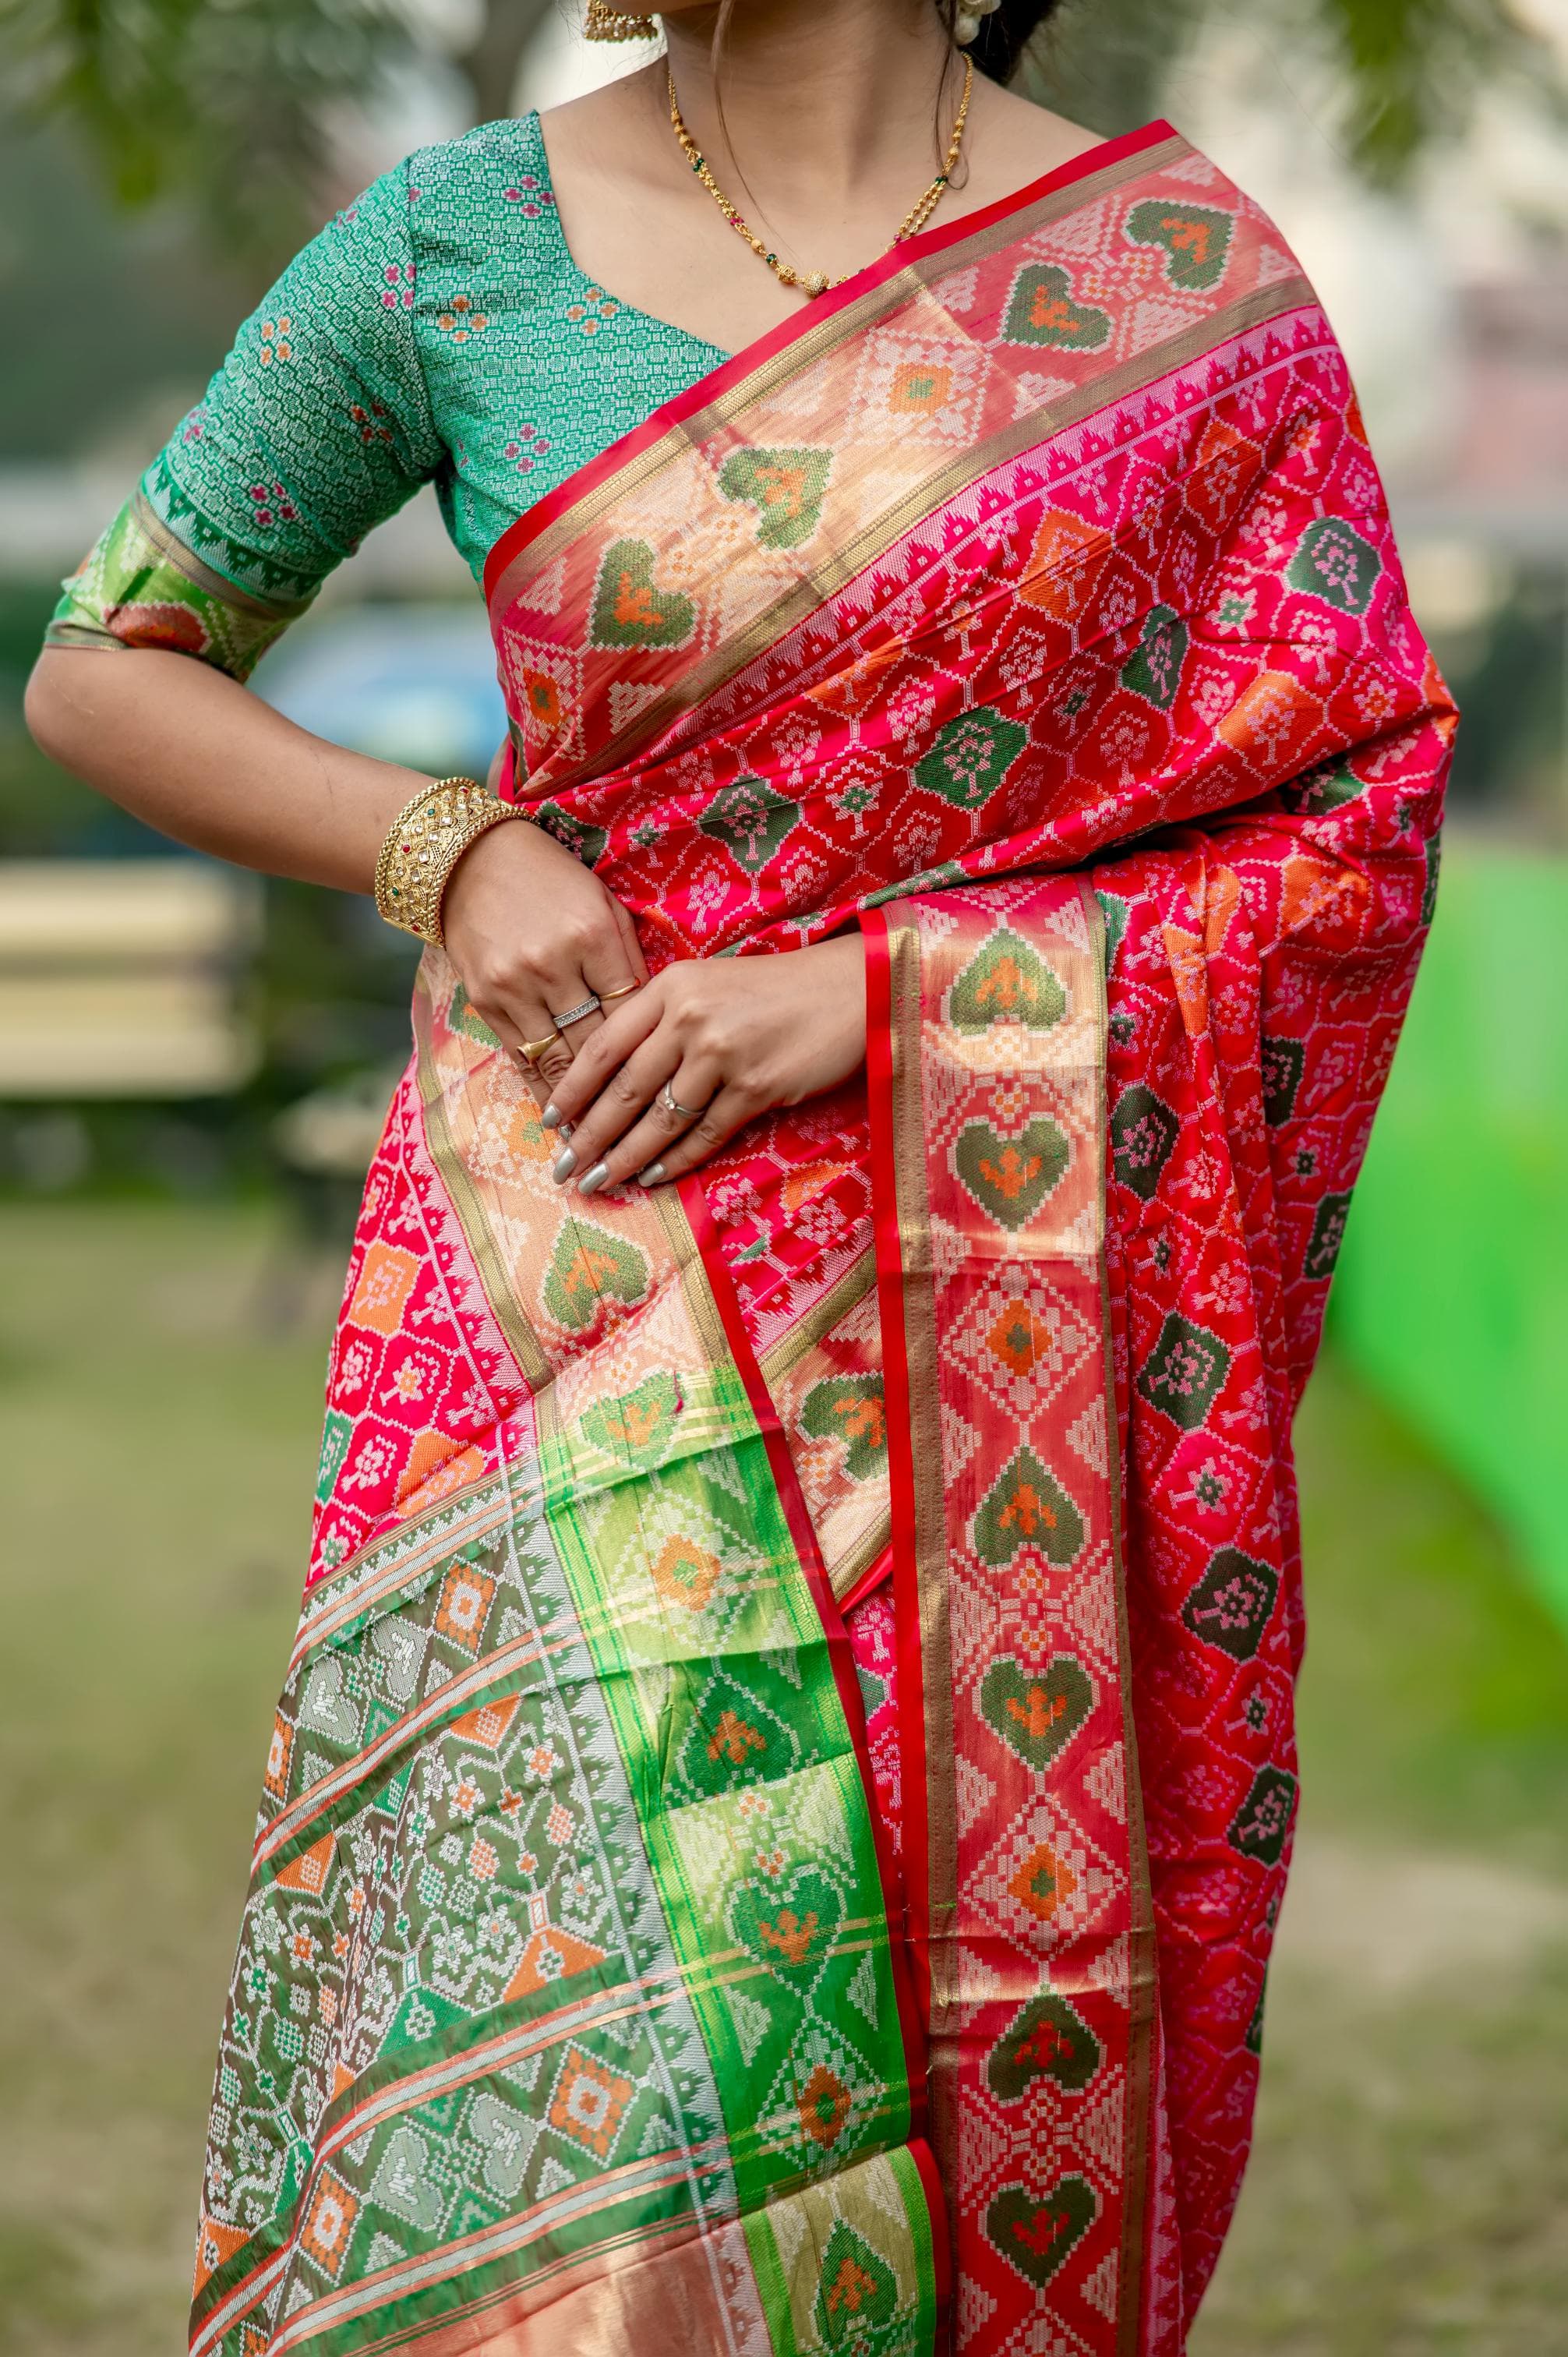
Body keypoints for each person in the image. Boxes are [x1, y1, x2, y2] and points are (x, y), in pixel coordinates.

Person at [26, 0, 1454, 2347]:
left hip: (1005, 1354)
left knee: (957, 2019)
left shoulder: (1180, 283)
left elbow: (1344, 830)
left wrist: (885, 999)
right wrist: (446, 844)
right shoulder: (449, 249)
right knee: (542, 2085)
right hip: (559, 1296)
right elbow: (107, 665)